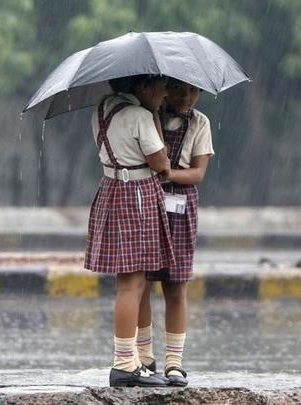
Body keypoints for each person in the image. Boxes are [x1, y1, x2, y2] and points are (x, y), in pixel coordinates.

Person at [84, 74, 175, 387]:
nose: (165, 94)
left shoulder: (102, 108)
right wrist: (153, 119)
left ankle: (137, 360)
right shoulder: (139, 116)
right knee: (131, 282)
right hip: (135, 194)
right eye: (162, 87)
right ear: (144, 86)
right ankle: (124, 363)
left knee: (132, 282)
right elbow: (161, 163)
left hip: (111, 189)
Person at [136, 78, 214, 387]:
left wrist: (169, 173)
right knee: (141, 281)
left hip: (181, 203)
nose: (187, 97)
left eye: (194, 91)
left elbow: (197, 172)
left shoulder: (200, 123)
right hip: (148, 200)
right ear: (164, 88)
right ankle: (143, 356)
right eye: (179, 89)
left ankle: (174, 362)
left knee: (176, 284)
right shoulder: (148, 115)